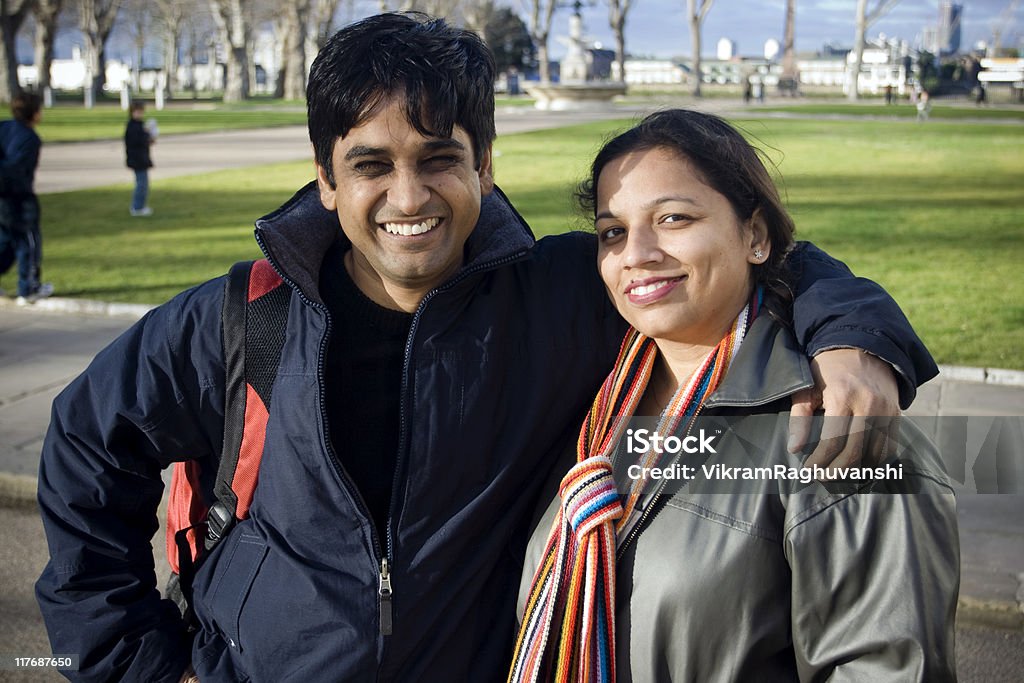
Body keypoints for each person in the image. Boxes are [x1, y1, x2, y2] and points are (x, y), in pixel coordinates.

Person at [36, 14, 937, 683]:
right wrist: (132, 662)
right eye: (371, 164)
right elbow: (83, 442)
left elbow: (737, 257)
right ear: (324, 178)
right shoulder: (244, 315)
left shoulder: (561, 292)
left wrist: (851, 330)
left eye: (438, 158)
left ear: (485, 165)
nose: (408, 195)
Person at [511, 110, 958, 682]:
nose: (636, 253)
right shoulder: (590, 399)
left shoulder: (841, 430)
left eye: (674, 218)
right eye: (612, 232)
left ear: (755, 235)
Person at [0, 91, 52, 305]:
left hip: (3, 200)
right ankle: (28, 287)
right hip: (17, 200)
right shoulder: (29, 138)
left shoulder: (4, 127)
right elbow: (13, 171)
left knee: (5, 242)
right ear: (35, 113)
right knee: (28, 242)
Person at [125, 100, 155, 216]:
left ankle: (140, 206)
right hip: (137, 159)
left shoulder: (140, 125)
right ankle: (137, 207)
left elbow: (144, 141)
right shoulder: (132, 126)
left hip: (142, 158)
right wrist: (146, 134)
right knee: (141, 184)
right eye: (137, 112)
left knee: (144, 184)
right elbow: (136, 142)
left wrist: (149, 138)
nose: (139, 114)